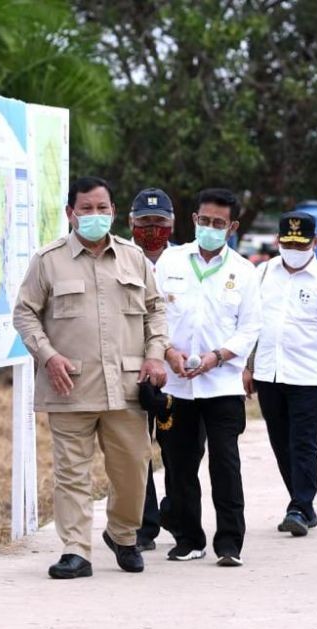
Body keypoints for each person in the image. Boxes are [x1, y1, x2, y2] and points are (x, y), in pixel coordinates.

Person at [13, 176, 169, 580]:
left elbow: (156, 311)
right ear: (71, 214)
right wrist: (47, 356)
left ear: (114, 212)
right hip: (69, 387)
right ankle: (75, 551)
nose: (95, 216)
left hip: (127, 387)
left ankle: (122, 535)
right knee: (71, 473)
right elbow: (25, 313)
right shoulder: (48, 260)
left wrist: (155, 356)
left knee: (133, 469)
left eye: (102, 208)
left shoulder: (135, 260)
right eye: (86, 209)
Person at [155, 187, 262, 567]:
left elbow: (249, 329)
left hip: (222, 384)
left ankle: (229, 542)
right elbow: (153, 316)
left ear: (232, 227)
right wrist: (169, 353)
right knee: (179, 464)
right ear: (194, 220)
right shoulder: (169, 262)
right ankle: (188, 537)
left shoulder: (244, 272)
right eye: (205, 221)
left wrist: (219, 357)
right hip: (176, 382)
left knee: (225, 464)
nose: (210, 228)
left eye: (219, 223)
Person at [243, 211, 317, 537]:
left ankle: (299, 507)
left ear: (315, 242)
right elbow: (251, 325)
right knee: (280, 443)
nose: (292, 248)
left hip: (308, 376)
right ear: (277, 241)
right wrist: (248, 366)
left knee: (303, 443)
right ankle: (302, 504)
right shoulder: (262, 274)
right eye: (286, 242)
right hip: (269, 374)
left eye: (300, 243)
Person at [127, 187, 177, 552]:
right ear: (131, 222)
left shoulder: (186, 263)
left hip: (180, 374)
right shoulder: (118, 259)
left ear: (172, 224)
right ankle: (143, 526)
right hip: (133, 369)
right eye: (145, 221)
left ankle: (174, 512)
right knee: (135, 450)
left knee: (180, 452)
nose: (151, 229)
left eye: (159, 222)